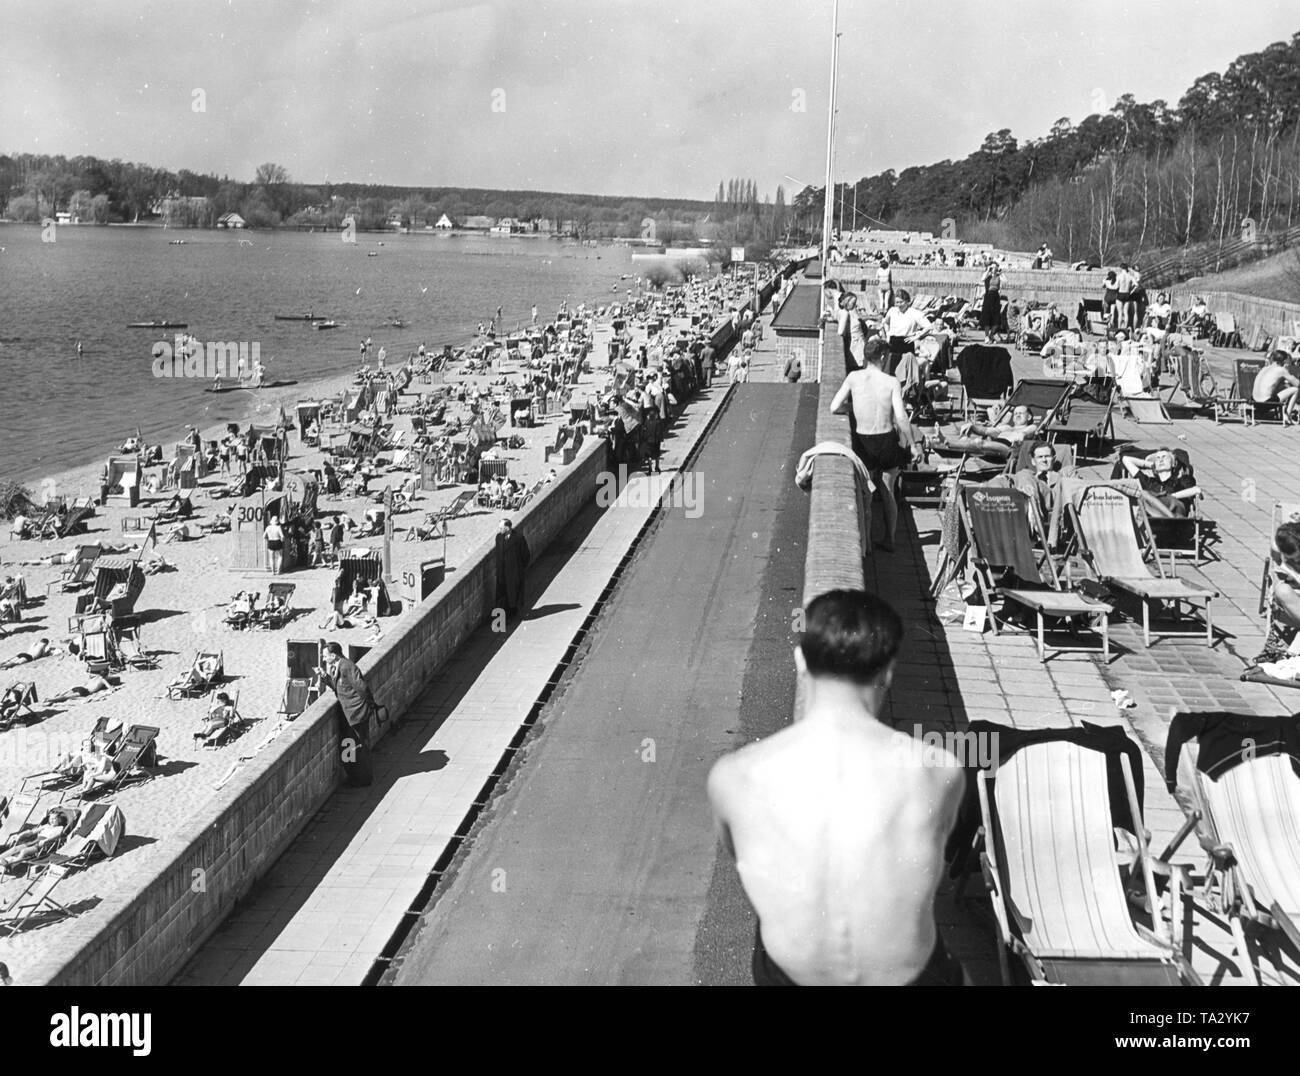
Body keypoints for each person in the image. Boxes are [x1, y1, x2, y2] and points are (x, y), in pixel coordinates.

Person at [708, 590, 965, 986]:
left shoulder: (733, 776)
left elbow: (739, 851)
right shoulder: (940, 771)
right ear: (889, 672)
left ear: (799, 661)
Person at [830, 338, 920, 553]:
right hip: (886, 440)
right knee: (888, 492)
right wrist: (913, 445)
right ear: (882, 357)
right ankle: (889, 540)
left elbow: (834, 407)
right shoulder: (891, 382)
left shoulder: (853, 377)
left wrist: (855, 406)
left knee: (866, 494)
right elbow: (901, 417)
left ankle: (867, 545)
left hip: (863, 441)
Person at [318, 641, 382, 786]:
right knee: (349, 745)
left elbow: (362, 688)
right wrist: (325, 678)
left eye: (325, 656)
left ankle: (363, 779)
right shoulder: (338, 666)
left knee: (359, 746)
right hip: (349, 714)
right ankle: (354, 777)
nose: (324, 659)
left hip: (356, 714)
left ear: (333, 655)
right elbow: (340, 688)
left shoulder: (347, 666)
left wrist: (370, 706)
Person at [1121, 448, 1198, 518]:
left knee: (1144, 495)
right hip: (1154, 517)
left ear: (1173, 463)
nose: (1161, 460)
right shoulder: (1149, 482)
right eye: (1157, 459)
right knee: (1144, 495)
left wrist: (1167, 497)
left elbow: (1196, 490)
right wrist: (1151, 465)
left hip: (1175, 517)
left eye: (1164, 457)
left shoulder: (1182, 480)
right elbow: (1125, 459)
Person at [880, 290, 934, 377]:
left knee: (906, 371)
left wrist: (917, 337)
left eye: (901, 302)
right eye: (896, 302)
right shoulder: (892, 310)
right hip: (893, 342)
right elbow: (885, 322)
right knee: (892, 370)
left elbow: (928, 326)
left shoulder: (914, 313)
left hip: (906, 342)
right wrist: (888, 334)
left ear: (907, 302)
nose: (898, 305)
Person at [494, 519, 531, 618]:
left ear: (507, 528)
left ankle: (511, 614)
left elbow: (526, 555)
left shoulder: (518, 538)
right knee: (502, 594)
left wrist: (519, 569)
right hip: (502, 572)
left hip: (513, 572)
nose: (499, 530)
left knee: (513, 595)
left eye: (501, 528)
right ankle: (502, 615)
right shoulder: (498, 537)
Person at [1252, 350, 1300, 423]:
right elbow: (1297, 384)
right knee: (1296, 390)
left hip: (1254, 402)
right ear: (1284, 361)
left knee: (1282, 388)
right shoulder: (1281, 370)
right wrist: (1287, 371)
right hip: (1265, 404)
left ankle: (1262, 413)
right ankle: (1287, 415)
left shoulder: (1264, 368)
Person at [980, 261, 1002, 343]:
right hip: (988, 296)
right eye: (993, 267)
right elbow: (982, 279)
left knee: (996, 318)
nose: (994, 269)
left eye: (995, 267)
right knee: (987, 317)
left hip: (996, 297)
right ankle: (986, 336)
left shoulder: (998, 276)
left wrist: (1001, 272)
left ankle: (991, 335)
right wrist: (988, 270)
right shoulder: (987, 275)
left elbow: (1005, 281)